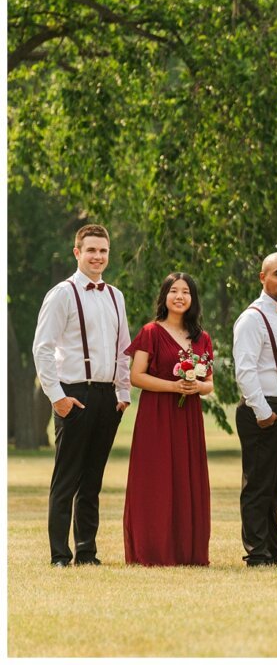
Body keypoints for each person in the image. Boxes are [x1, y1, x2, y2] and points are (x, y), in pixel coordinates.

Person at [32, 224, 131, 567]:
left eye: (103, 251)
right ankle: (60, 554)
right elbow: (42, 349)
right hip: (73, 394)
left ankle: (87, 552)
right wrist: (57, 397)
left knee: (92, 481)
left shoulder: (116, 295)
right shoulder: (62, 293)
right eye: (91, 250)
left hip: (107, 398)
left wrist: (123, 392)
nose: (98, 257)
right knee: (66, 480)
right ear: (77, 253)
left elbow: (124, 349)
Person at [123, 272, 214, 566]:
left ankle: (187, 549)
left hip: (188, 417)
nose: (179, 296)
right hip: (156, 416)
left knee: (186, 478)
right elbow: (136, 376)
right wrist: (173, 386)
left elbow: (210, 383)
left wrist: (196, 387)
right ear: (164, 296)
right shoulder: (150, 332)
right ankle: (152, 549)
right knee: (156, 478)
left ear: (193, 299)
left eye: (186, 291)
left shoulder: (202, 338)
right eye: (173, 291)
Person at [232, 252, 277, 567]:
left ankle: (274, 551)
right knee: (259, 485)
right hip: (263, 410)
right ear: (263, 277)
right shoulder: (252, 318)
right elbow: (245, 370)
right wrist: (263, 412)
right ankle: (257, 552)